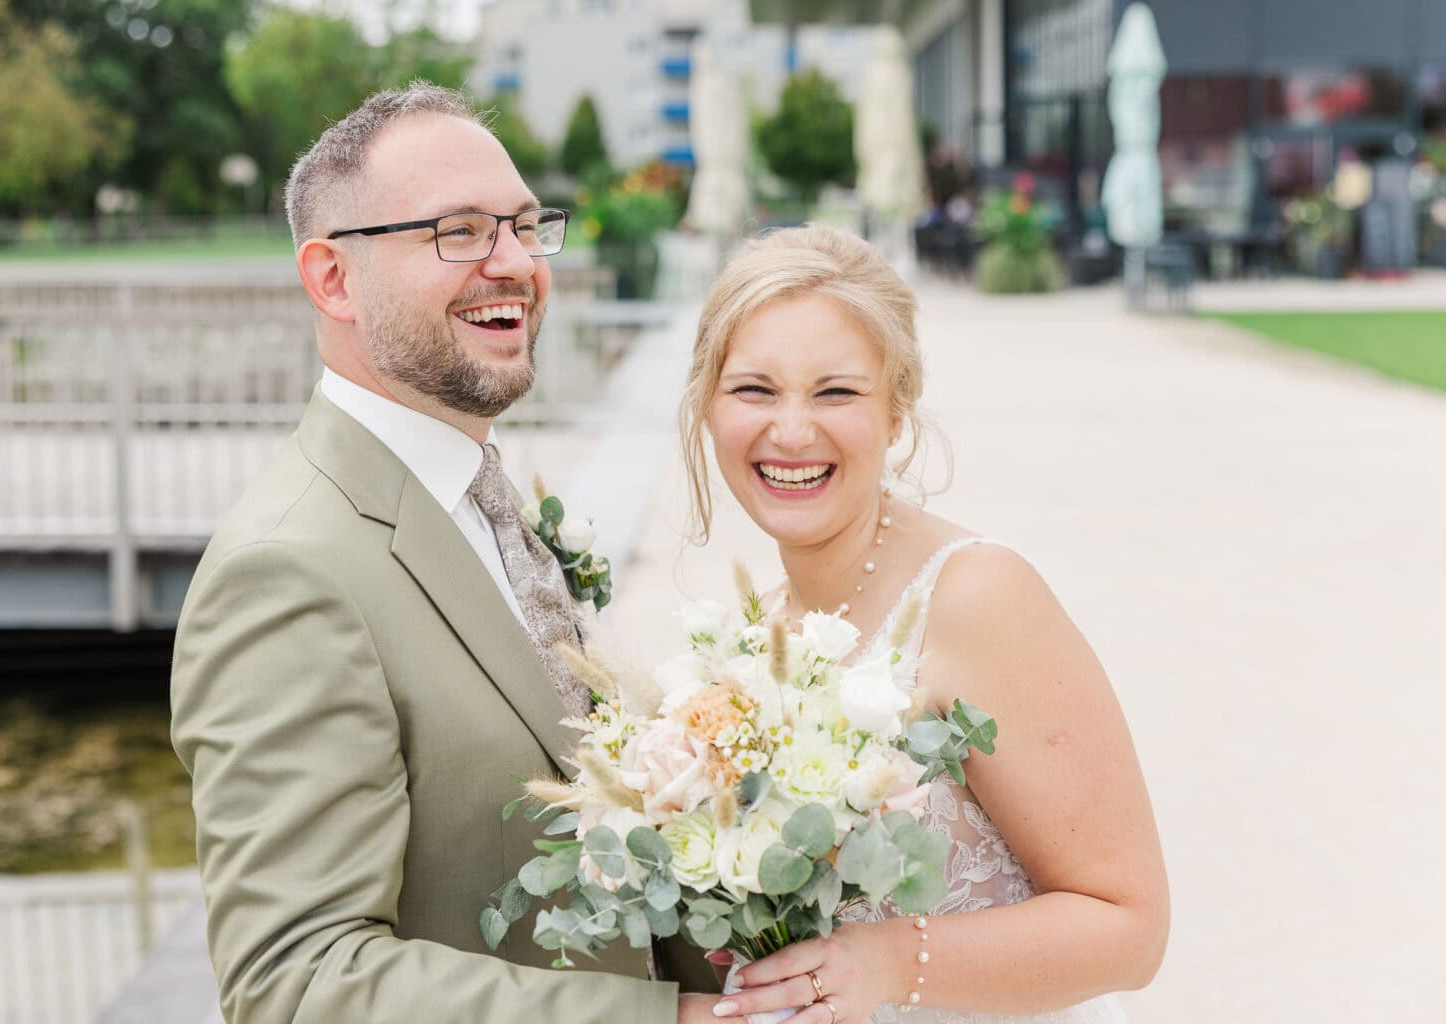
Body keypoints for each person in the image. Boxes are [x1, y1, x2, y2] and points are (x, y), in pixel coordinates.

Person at [170, 81, 722, 1024]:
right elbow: (296, 980)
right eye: (457, 232)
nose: (513, 263)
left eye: (521, 224)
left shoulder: (487, 497)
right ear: (332, 278)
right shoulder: (287, 574)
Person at [675, 226, 1170, 1024]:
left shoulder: (977, 597)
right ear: (708, 404)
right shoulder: (745, 639)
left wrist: (887, 961)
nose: (792, 432)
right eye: (754, 390)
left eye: (835, 392)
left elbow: (1130, 928)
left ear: (896, 411)